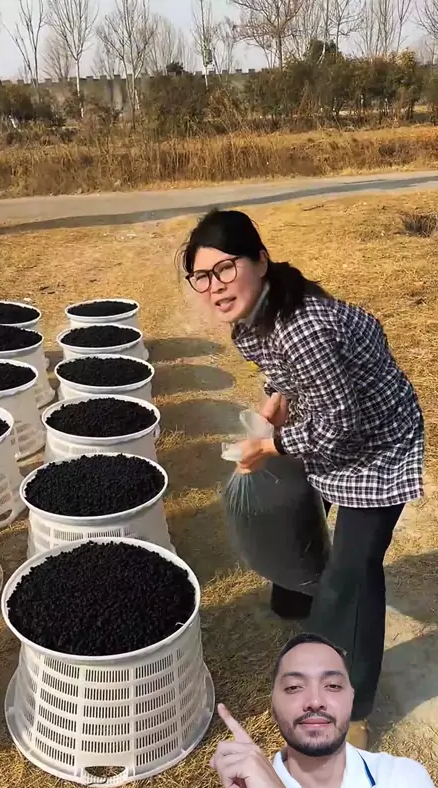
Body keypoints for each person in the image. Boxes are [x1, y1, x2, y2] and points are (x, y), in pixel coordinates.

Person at [181, 209, 424, 747]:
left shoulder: (304, 326)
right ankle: (296, 592)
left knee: (352, 575)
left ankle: (353, 706)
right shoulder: (252, 318)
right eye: (201, 276)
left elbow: (340, 426)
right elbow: (285, 376)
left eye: (225, 269)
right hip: (329, 419)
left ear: (260, 261)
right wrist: (273, 406)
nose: (214, 286)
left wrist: (270, 445)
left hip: (378, 442)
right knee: (292, 502)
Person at [195, 633, 437, 788]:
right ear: (273, 707)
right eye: (294, 687)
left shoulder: (402, 778)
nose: (314, 701)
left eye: (332, 685)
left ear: (351, 699)